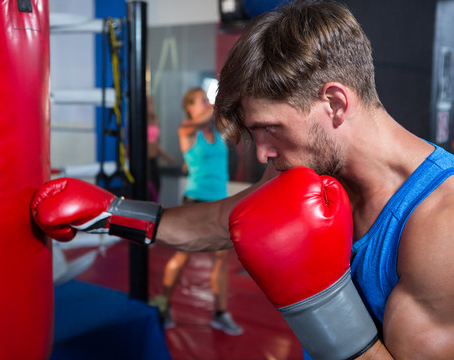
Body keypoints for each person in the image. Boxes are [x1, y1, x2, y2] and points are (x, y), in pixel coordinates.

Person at [31, 1, 454, 358]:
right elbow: (216, 221)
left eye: (269, 128)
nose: (263, 153)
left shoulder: (440, 226)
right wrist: (110, 213)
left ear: (334, 102)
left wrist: (323, 304)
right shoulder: (312, 166)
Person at [159, 87, 242, 335]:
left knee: (221, 260)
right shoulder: (187, 129)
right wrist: (217, 105)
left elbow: (234, 119)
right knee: (182, 256)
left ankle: (220, 313)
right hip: (196, 202)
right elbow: (210, 115)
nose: (206, 104)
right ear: (190, 108)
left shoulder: (217, 129)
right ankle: (164, 306)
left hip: (219, 201)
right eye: (201, 101)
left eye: (207, 100)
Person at [147, 95, 174, 202]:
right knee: (148, 191)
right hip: (144, 161)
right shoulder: (138, 119)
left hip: (153, 160)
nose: (151, 106)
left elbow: (156, 144)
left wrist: (167, 157)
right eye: (148, 103)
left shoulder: (154, 119)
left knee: (156, 189)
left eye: (152, 103)